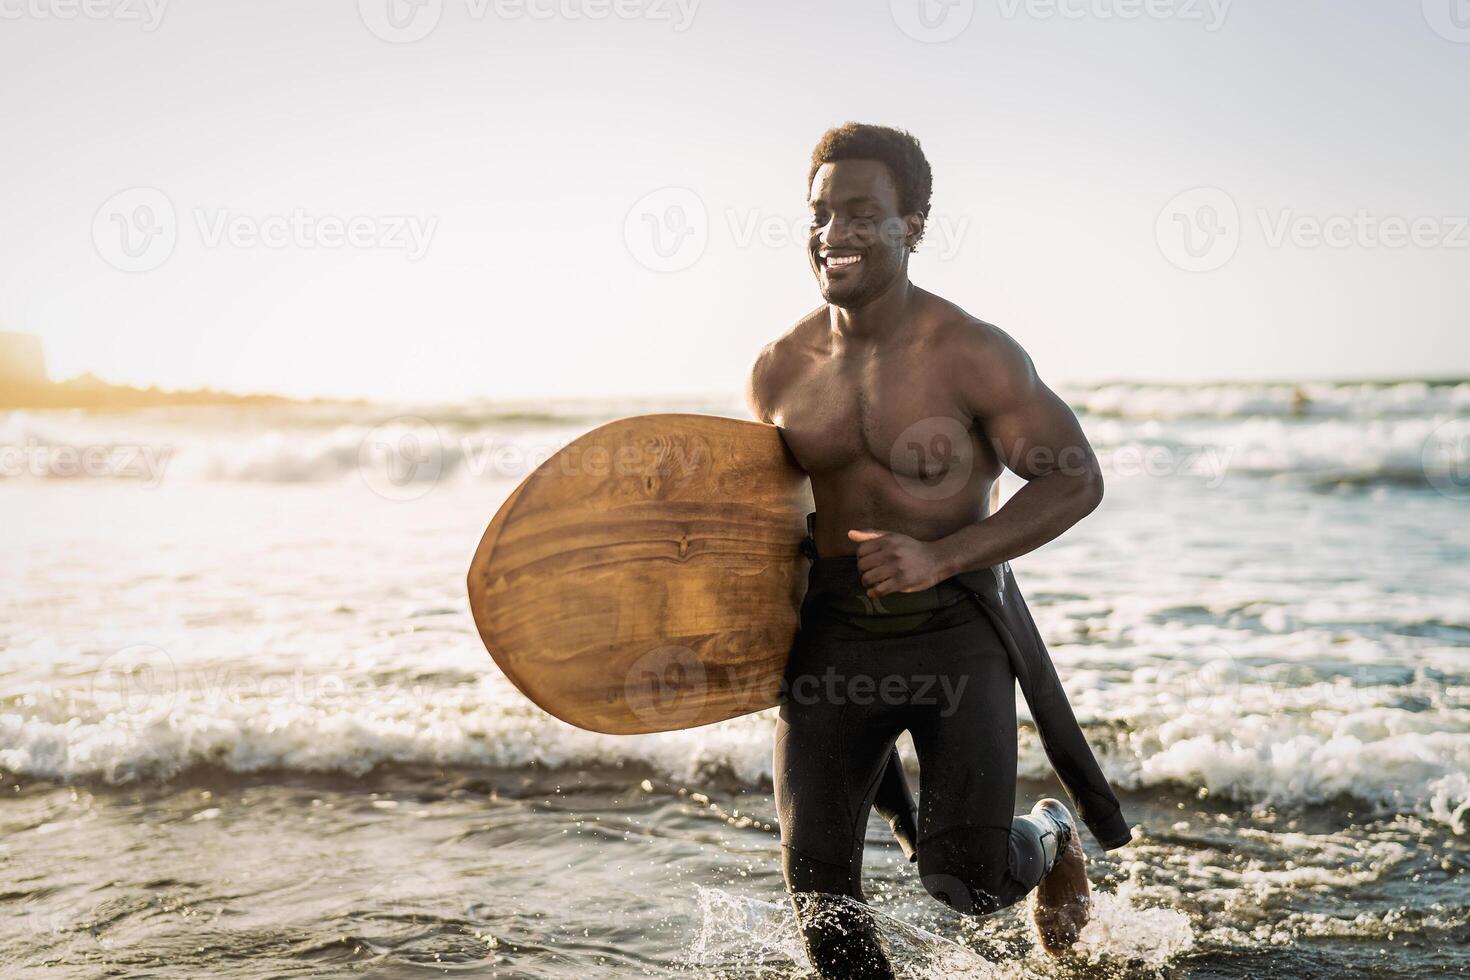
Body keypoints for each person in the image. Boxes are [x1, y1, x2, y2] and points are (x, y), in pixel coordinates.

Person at [745, 123, 1131, 977]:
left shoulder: (971, 352)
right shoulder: (778, 369)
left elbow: (1075, 480)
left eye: (860, 212)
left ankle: (1053, 829)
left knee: (967, 880)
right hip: (832, 644)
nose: (833, 232)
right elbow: (760, 529)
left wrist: (942, 554)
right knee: (823, 909)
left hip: (953, 631)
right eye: (820, 213)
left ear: (911, 225)